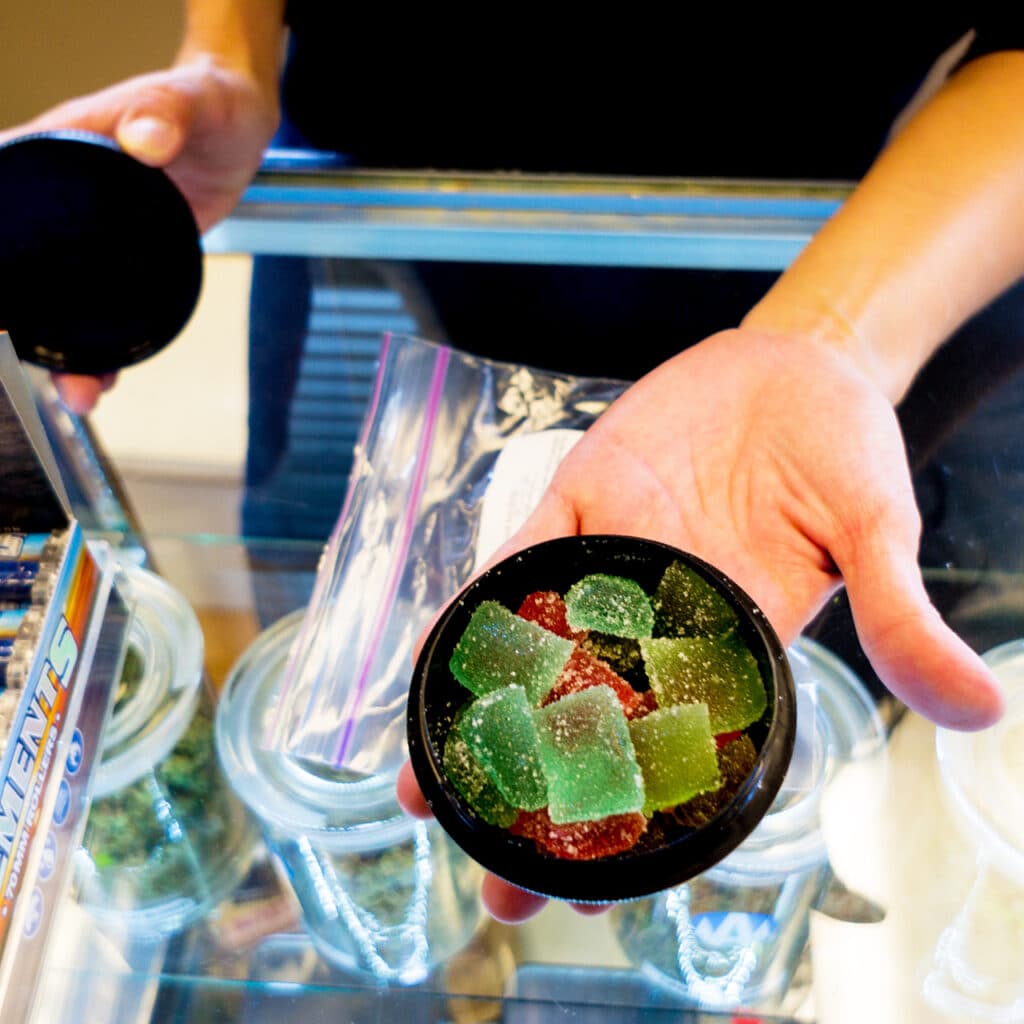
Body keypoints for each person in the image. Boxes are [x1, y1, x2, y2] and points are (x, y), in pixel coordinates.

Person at [3, 5, 1022, 923]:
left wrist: (832, 340)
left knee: (819, 702)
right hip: (377, 216)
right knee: (337, 654)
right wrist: (228, 59)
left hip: (858, 243)